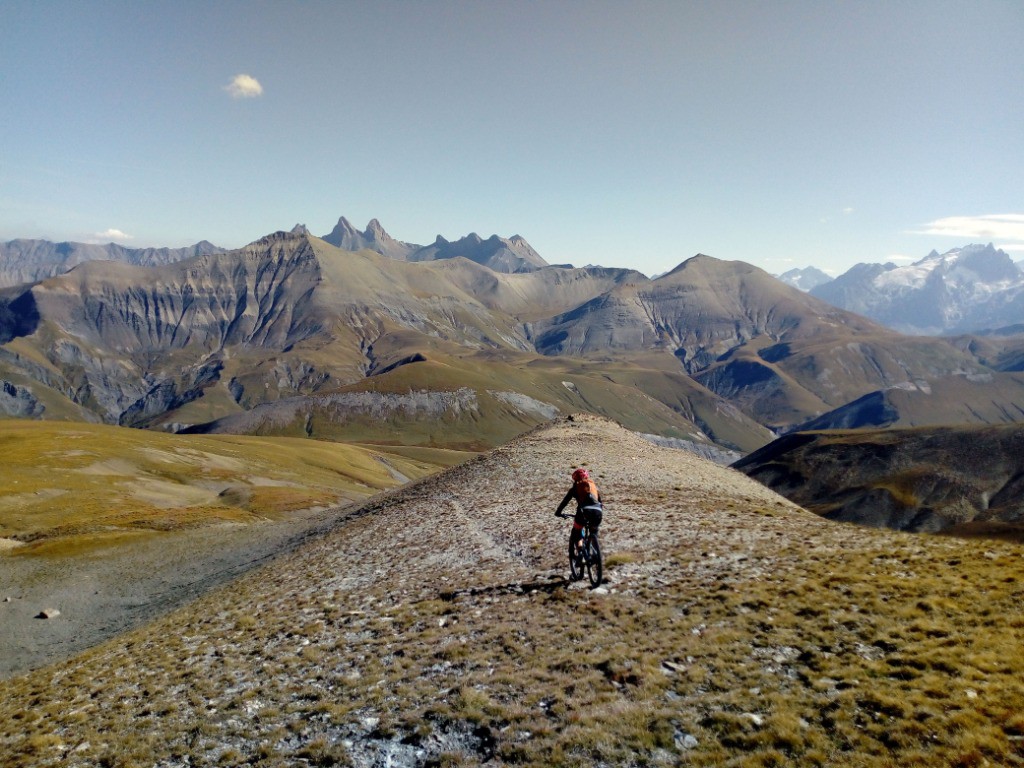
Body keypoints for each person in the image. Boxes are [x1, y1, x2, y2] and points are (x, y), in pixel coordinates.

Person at [554, 467, 603, 559]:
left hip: (584, 511)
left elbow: (565, 501)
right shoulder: (593, 486)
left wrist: (558, 512)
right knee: (593, 531)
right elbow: (600, 502)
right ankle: (596, 553)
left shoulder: (576, 487)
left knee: (577, 530)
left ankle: (580, 551)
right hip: (598, 512)